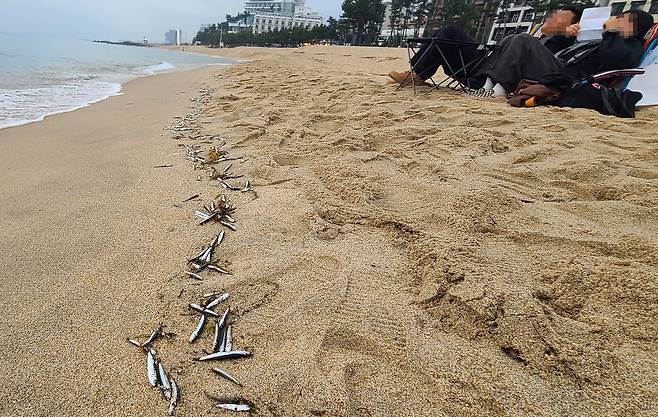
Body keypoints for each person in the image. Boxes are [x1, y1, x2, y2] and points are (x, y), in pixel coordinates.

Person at [388, 7, 583, 89]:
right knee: (450, 32)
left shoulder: (560, 41)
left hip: (490, 71)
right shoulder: (535, 32)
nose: (553, 17)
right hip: (486, 59)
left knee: (451, 33)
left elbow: (550, 63)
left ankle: (418, 76)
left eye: (560, 16)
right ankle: (417, 75)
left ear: (571, 24)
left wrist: (568, 35)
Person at [472, 10, 653, 94]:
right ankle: (487, 85)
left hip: (566, 78)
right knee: (511, 39)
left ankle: (498, 90)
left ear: (634, 27)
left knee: (522, 39)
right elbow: (563, 49)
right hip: (559, 67)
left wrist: (612, 31)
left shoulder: (631, 45)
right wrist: (567, 34)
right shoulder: (604, 39)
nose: (615, 19)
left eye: (623, 19)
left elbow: (615, 61)